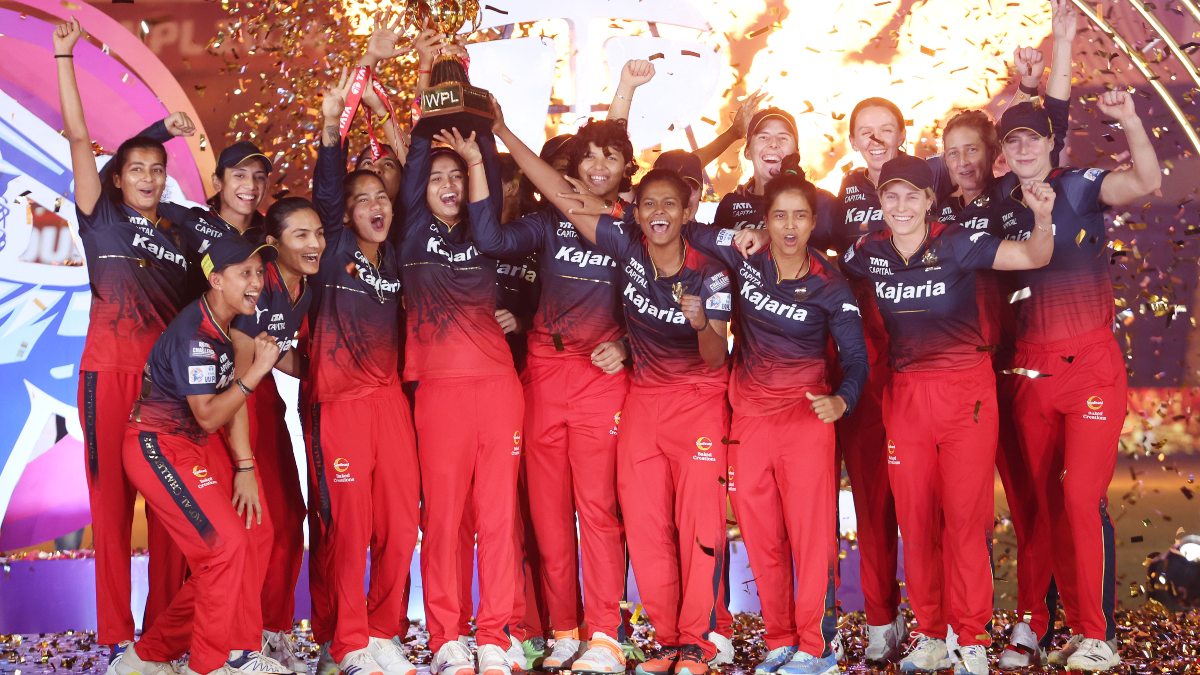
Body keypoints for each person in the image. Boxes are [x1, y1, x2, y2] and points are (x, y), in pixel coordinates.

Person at [504, 109, 734, 674]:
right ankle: (574, 630)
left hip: (635, 388)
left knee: (615, 513)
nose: (658, 213)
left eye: (668, 205)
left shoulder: (669, 246)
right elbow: (553, 185)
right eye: (590, 155)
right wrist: (503, 130)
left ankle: (630, 635)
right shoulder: (603, 228)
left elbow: (670, 185)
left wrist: (676, 330)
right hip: (567, 377)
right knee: (574, 515)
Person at [834, 154, 1056, 674]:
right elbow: (816, 268)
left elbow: (1036, 256)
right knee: (915, 519)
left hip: (965, 393)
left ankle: (970, 637)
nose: (902, 204)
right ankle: (931, 633)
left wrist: (1043, 217)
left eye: (913, 195)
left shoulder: (956, 241)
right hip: (906, 397)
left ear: (930, 200)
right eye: (892, 195)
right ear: (880, 202)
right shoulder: (868, 253)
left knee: (963, 519)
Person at [990, 90, 1161, 672]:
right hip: (1030, 371)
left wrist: (1131, 119)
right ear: (1005, 153)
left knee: (1077, 499)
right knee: (1037, 507)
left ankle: (1096, 635)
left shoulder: (1081, 184)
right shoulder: (1000, 205)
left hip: (1089, 365)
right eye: (1012, 141)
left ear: (1049, 143)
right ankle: (1035, 626)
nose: (1023, 148)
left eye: (1032, 138)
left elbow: (1145, 181)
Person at [686, 157, 868, 675]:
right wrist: (735, 231)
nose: (790, 227)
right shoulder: (746, 259)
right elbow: (687, 226)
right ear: (765, 221)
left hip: (806, 421)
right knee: (762, 536)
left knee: (810, 540)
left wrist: (843, 400)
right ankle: (781, 639)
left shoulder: (831, 284)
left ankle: (815, 647)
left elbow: (856, 358)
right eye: (780, 216)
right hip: (750, 423)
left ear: (814, 222)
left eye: (800, 217)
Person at [54, 18, 191, 668]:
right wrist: (64, 59)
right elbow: (81, 137)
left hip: (166, 390)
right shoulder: (98, 215)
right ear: (117, 178)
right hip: (106, 378)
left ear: (166, 178)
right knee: (110, 510)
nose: (146, 175)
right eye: (135, 167)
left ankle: (162, 643)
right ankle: (115, 639)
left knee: (170, 513)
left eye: (156, 168)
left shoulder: (182, 236)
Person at [481, 109, 631, 675]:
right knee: (546, 511)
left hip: (600, 377)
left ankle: (606, 637)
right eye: (588, 155)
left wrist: (630, 349)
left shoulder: (636, 219)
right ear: (570, 165)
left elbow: (657, 296)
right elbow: (495, 234)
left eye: (610, 157)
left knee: (595, 510)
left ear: (624, 169)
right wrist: (491, 138)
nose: (597, 165)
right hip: (544, 369)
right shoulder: (548, 221)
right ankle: (565, 631)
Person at [118, 234, 280, 675]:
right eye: (244, 273)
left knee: (240, 544)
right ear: (215, 278)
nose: (256, 282)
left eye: (259, 272)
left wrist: (245, 466)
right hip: (156, 447)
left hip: (185, 447)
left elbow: (223, 410)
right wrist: (257, 371)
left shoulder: (223, 325)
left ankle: (146, 657)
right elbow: (210, 415)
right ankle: (207, 666)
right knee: (224, 550)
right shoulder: (196, 336)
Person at [401, 109, 523, 675]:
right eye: (436, 177)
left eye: (458, 177)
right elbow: (420, 148)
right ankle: (447, 636)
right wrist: (435, 94)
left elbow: (488, 180)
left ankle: (495, 633)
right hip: (440, 393)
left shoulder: (486, 231)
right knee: (444, 519)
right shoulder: (409, 231)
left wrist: (480, 148)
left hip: (499, 388)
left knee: (498, 516)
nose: (448, 187)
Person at [306, 69, 420, 675]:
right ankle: (347, 644)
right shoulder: (332, 251)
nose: (376, 206)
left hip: (390, 406)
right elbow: (329, 185)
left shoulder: (399, 255)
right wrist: (336, 125)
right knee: (350, 530)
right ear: (345, 214)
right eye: (361, 200)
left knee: (401, 528)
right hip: (341, 406)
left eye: (382, 197)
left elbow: (418, 173)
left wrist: (386, 108)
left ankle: (380, 631)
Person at [225, 198, 326, 672]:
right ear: (273, 244)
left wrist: (329, 374)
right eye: (301, 235)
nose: (314, 243)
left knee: (290, 519)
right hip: (233, 406)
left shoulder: (301, 286)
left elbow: (277, 354)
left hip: (266, 400)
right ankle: (238, 647)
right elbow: (240, 371)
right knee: (256, 526)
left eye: (319, 233)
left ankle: (272, 632)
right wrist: (243, 463)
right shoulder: (257, 283)